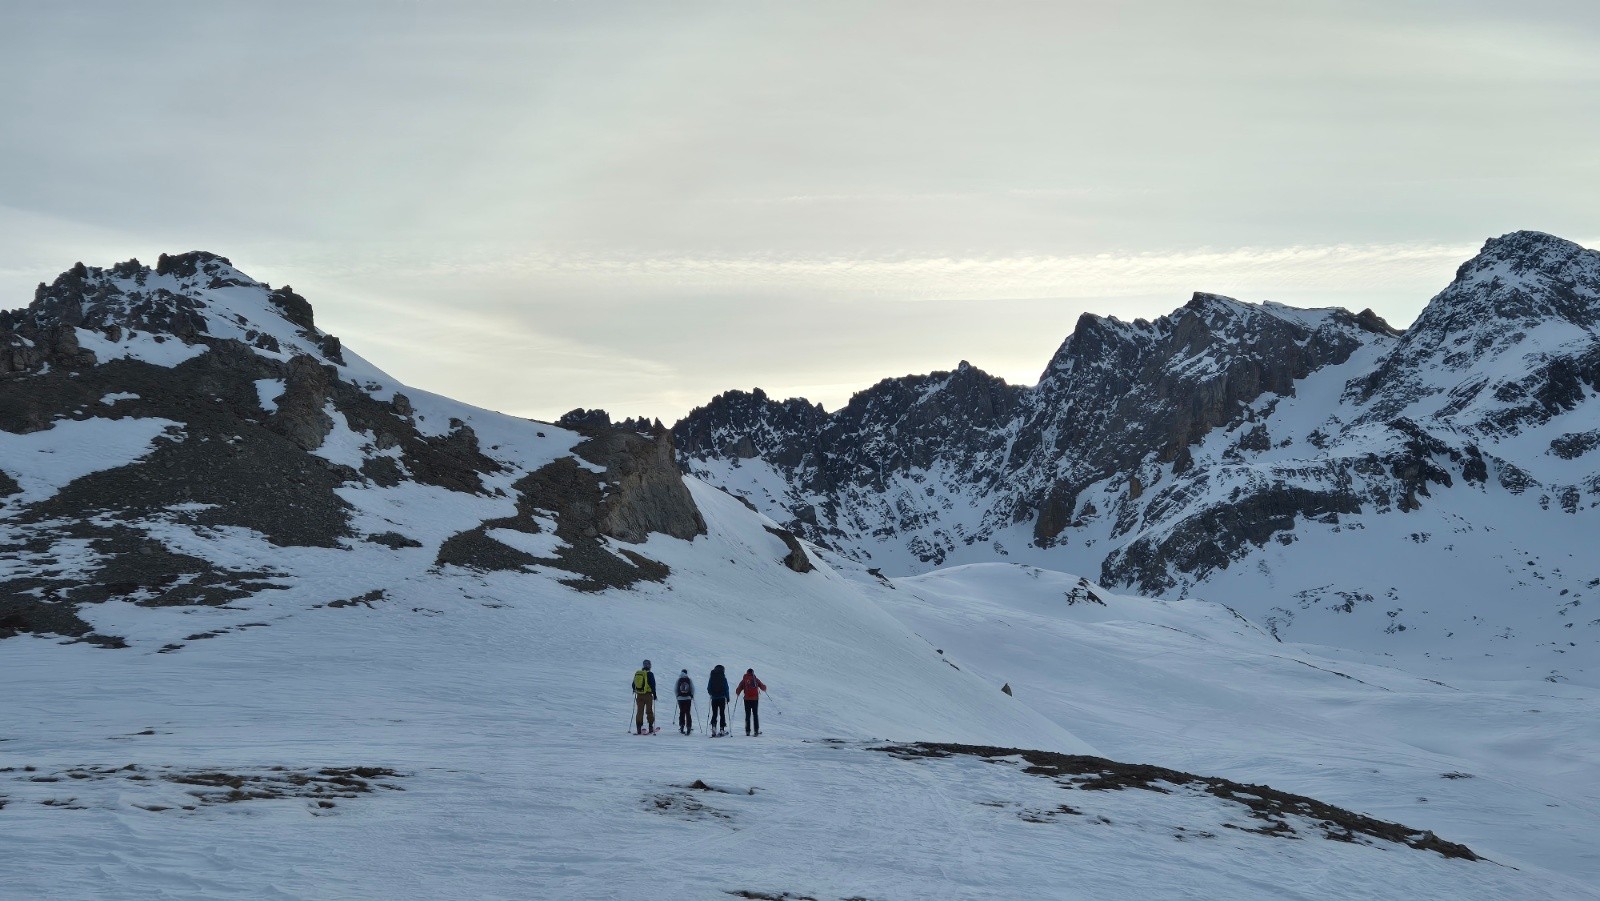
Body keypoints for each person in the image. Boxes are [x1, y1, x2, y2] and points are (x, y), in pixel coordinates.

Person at [736, 668, 766, 736]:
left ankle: (747, 731)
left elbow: (739, 689)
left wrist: (738, 693)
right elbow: (763, 687)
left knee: (747, 715)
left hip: (747, 699)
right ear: (752, 672)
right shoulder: (755, 679)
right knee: (755, 715)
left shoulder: (744, 679)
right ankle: (756, 731)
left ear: (747, 672)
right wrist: (764, 687)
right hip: (755, 699)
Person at [631, 660, 657, 734]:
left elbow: (633, 684)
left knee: (639, 711)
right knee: (649, 711)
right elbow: (653, 685)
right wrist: (654, 694)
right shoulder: (650, 674)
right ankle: (650, 727)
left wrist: (635, 690)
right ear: (649, 666)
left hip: (639, 695)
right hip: (648, 695)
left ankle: (638, 728)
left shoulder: (638, 673)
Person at [706, 665, 730, 737]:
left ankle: (713, 727)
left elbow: (708, 688)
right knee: (722, 714)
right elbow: (726, 688)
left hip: (714, 698)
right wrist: (727, 697)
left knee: (714, 714)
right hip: (722, 698)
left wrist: (711, 694)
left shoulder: (712, 677)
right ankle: (722, 729)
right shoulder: (723, 678)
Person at [674, 669, 695, 734]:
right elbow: (692, 688)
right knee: (688, 712)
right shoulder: (689, 679)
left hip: (680, 699)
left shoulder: (679, 680)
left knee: (682, 712)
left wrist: (677, 696)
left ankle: (682, 726)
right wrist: (691, 696)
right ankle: (688, 727)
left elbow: (675, 689)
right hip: (688, 698)